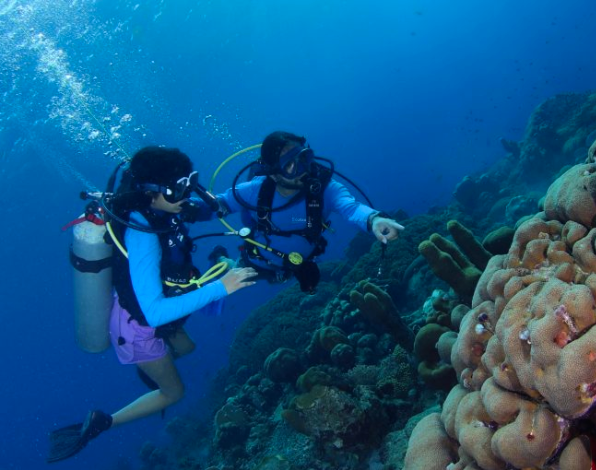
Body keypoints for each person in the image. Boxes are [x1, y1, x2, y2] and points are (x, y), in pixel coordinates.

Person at [47, 146, 257, 463]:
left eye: (190, 182)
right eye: (179, 188)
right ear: (150, 193)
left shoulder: (165, 208)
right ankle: (102, 422)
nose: (187, 194)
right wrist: (221, 287)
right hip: (139, 328)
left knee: (187, 349)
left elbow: (211, 208)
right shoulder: (142, 232)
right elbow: (153, 312)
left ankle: (153, 369)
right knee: (175, 393)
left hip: (147, 313)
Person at [209, 130, 404, 294]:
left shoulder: (325, 189)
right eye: (290, 166)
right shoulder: (255, 189)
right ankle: (221, 257)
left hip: (300, 260)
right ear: (274, 174)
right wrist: (188, 205)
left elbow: (351, 207)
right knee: (236, 272)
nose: (303, 169)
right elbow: (219, 203)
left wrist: (374, 219)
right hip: (260, 261)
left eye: (303, 158)